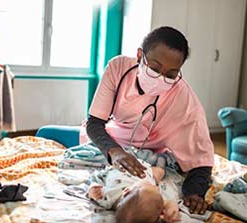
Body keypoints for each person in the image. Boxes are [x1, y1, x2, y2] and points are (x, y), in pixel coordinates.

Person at [84, 26, 214, 215]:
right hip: (111, 140)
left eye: (171, 75)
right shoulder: (118, 68)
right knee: (59, 138)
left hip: (151, 153)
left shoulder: (184, 99)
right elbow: (94, 123)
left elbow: (201, 157)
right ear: (139, 55)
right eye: (154, 68)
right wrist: (116, 152)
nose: (161, 78)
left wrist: (195, 192)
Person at [87, 160, 180, 223]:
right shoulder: (153, 203)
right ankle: (162, 160)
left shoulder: (108, 197)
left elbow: (94, 179)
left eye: (152, 186)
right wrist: (171, 207)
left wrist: (92, 189)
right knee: (160, 172)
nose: (154, 186)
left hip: (125, 165)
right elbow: (168, 202)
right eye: (155, 188)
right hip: (147, 171)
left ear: (127, 191)